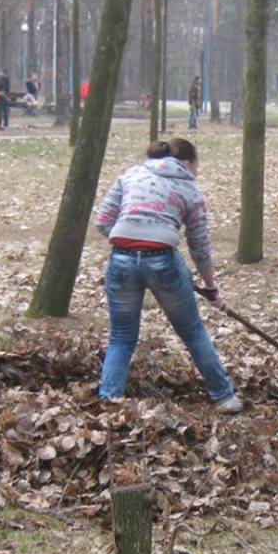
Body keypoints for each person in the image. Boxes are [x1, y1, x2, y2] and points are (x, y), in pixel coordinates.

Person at [93, 138, 242, 414]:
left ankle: (109, 402)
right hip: (163, 260)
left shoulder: (130, 175)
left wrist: (129, 240)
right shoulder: (190, 189)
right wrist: (211, 287)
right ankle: (224, 397)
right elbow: (199, 247)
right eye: (197, 165)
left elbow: (103, 221)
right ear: (188, 162)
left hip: (121, 258)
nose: (197, 171)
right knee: (192, 330)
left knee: (121, 336)